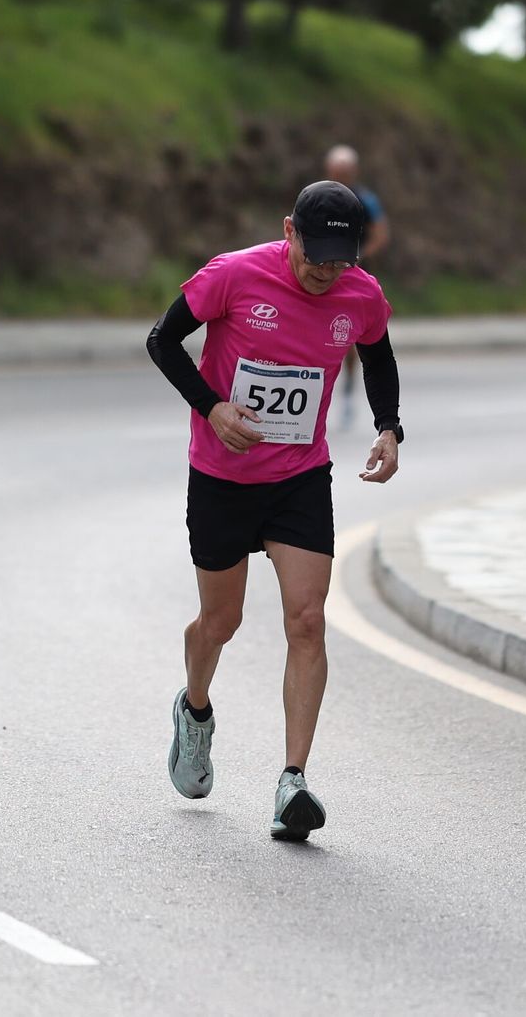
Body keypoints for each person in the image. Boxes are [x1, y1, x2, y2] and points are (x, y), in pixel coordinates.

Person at [146, 180, 403, 842]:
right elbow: (162, 341)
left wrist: (388, 426)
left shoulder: (360, 292)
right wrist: (212, 406)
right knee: (220, 620)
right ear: (288, 230)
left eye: (337, 258)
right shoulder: (233, 276)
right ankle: (195, 710)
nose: (325, 271)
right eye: (314, 255)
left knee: (308, 619)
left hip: (299, 476)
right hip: (222, 475)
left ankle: (293, 780)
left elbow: (376, 352)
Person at [324, 144, 389, 429]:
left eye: (345, 172)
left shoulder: (366, 200)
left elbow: (381, 233)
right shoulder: (319, 196)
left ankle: (348, 387)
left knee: (349, 337)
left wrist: (359, 258)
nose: (341, 177)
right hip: (322, 272)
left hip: (354, 274)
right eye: (336, 172)